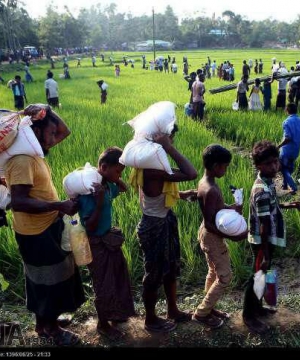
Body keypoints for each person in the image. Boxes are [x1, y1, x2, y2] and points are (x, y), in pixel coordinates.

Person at [5, 106, 85, 345]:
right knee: (48, 280)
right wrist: (59, 205)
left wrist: (46, 110)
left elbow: (64, 131)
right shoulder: (22, 160)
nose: (53, 138)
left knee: (53, 276)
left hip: (45, 226)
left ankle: (45, 324)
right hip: (35, 233)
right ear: (35, 132)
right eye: (49, 134)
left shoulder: (35, 152)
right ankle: (51, 330)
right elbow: (19, 202)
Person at [132, 125, 197, 333]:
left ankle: (172, 310)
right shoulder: (153, 168)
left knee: (171, 267)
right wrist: (169, 148)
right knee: (153, 274)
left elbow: (161, 193)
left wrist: (182, 194)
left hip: (165, 219)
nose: (173, 141)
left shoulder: (153, 164)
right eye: (171, 138)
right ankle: (150, 319)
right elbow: (191, 172)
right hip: (154, 226)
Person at [243, 140, 300, 334]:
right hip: (262, 241)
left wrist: (288, 205)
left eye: (276, 162)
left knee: (261, 275)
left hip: (265, 241)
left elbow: (272, 206)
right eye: (269, 163)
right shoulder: (261, 191)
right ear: (258, 166)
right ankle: (248, 316)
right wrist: (266, 252)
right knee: (257, 276)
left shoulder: (268, 182)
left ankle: (258, 307)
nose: (275, 166)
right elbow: (264, 225)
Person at [77, 147, 136, 340]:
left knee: (118, 277)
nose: (120, 175)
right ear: (103, 167)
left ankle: (116, 314)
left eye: (122, 171)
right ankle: (103, 324)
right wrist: (99, 201)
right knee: (103, 284)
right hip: (96, 243)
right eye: (118, 171)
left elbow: (124, 188)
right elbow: (90, 226)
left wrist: (114, 177)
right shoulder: (90, 193)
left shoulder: (108, 185)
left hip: (108, 240)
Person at [192, 145, 248, 329]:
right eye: (225, 166)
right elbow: (210, 223)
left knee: (213, 271)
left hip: (208, 234)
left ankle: (210, 307)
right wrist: (232, 237)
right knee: (225, 276)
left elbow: (216, 210)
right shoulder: (211, 190)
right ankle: (202, 313)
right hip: (211, 237)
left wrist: (232, 207)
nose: (226, 169)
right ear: (216, 166)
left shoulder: (206, 182)